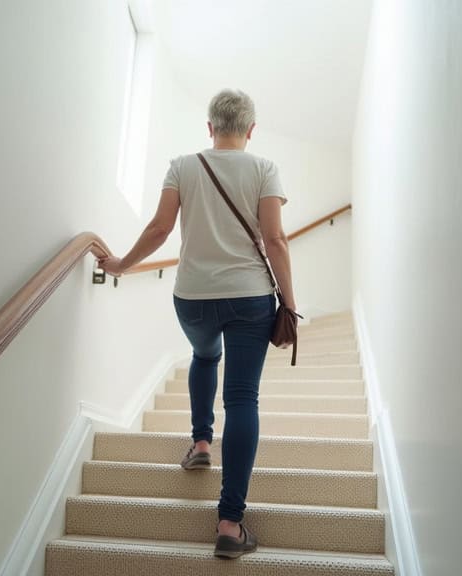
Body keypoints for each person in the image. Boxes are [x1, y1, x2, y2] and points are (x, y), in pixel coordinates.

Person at [97, 89, 296, 559]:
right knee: (243, 397)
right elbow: (276, 238)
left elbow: (160, 228)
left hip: (193, 297)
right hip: (250, 298)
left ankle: (201, 442)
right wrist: (289, 302)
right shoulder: (265, 168)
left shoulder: (183, 165)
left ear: (210, 127)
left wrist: (122, 263)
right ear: (251, 130)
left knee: (205, 355)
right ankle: (229, 523)